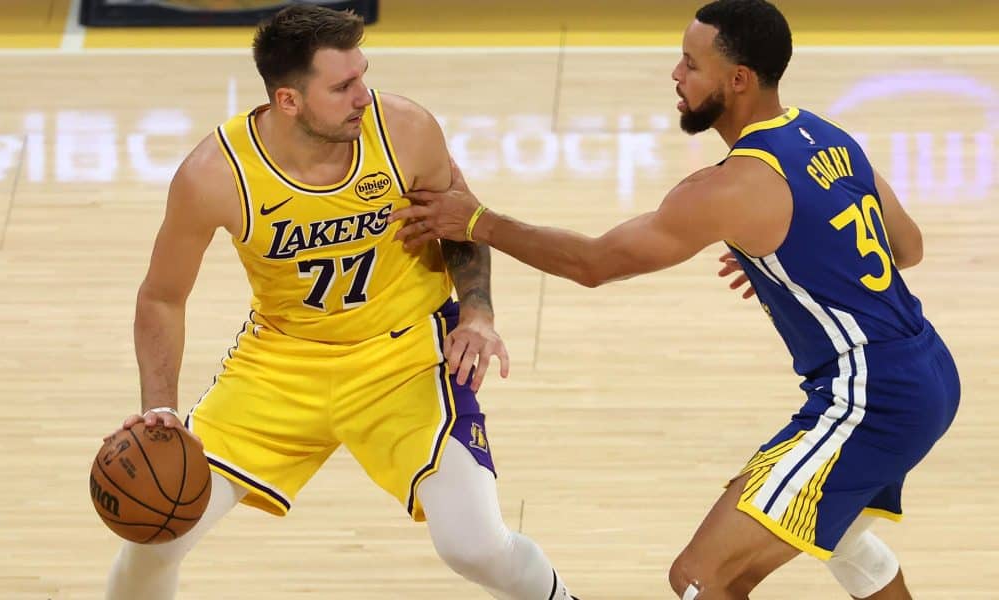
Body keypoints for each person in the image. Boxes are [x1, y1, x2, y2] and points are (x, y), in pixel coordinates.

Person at [389, 0, 961, 598]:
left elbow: (594, 264)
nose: (675, 75)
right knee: (843, 542)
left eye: (691, 63)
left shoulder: (730, 186)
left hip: (871, 397)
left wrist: (478, 221)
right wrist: (802, 260)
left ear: (737, 80)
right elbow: (908, 246)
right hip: (930, 371)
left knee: (701, 576)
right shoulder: (828, 134)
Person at [104, 5, 579, 600]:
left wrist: (479, 314)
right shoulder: (214, 175)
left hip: (405, 355)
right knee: (154, 543)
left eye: (363, 76)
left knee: (474, 546)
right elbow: (162, 296)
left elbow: (462, 224)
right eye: (343, 86)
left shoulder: (405, 131)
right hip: (281, 364)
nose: (363, 96)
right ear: (288, 100)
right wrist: (161, 411)